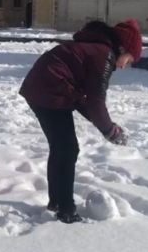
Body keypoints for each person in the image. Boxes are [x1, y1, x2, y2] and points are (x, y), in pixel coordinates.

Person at [19, 19, 141, 224]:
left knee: (61, 148)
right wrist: (109, 130)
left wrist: (106, 127)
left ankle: (57, 203)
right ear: (123, 48)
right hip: (49, 90)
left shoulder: (95, 48)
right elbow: (95, 100)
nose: (124, 66)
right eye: (128, 60)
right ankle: (65, 211)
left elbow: (83, 100)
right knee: (67, 149)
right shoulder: (103, 55)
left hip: (42, 88)